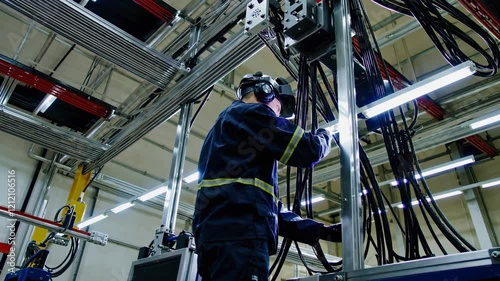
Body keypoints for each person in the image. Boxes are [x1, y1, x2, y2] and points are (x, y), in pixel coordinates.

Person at [192, 72, 341, 281]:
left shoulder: (225, 129)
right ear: (265, 93)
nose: (277, 117)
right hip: (241, 240)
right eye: (278, 109)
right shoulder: (251, 113)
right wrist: (329, 134)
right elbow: (309, 149)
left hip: (216, 240)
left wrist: (319, 231)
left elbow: (264, 206)